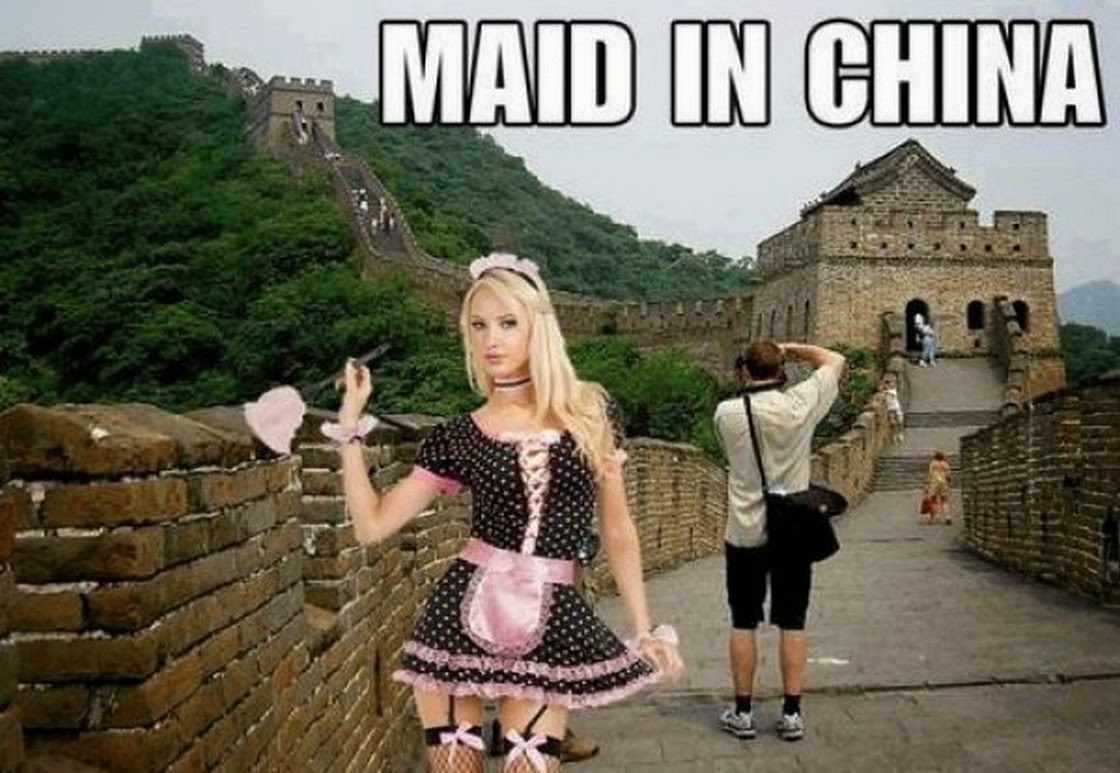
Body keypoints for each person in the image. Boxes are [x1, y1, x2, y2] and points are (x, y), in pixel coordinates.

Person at [330, 252, 683, 772]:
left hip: (553, 614)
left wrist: (643, 628)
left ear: (537, 327)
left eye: (507, 323)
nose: (491, 340)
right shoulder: (457, 436)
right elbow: (372, 525)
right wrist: (350, 427)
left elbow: (617, 529)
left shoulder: (590, 412)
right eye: (478, 326)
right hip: (457, 619)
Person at [713, 341, 845, 743]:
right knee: (793, 621)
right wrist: (789, 347)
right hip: (793, 531)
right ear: (781, 370)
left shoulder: (726, 413)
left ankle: (743, 712)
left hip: (745, 530)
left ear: (744, 370)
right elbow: (835, 360)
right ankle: (791, 714)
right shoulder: (801, 404)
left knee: (743, 621)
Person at [924, 450, 952, 524]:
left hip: (934, 483)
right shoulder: (945, 464)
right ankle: (947, 516)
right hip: (943, 483)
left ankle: (932, 518)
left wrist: (927, 485)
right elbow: (949, 476)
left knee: (933, 500)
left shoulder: (933, 463)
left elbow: (930, 474)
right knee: (944, 500)